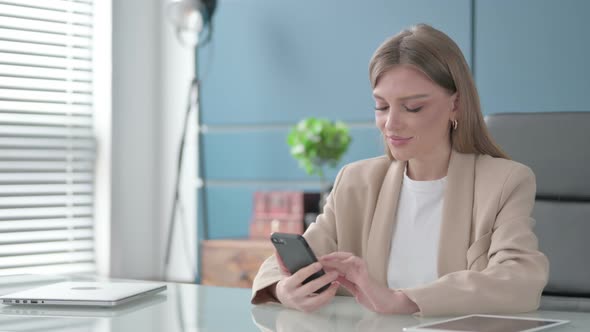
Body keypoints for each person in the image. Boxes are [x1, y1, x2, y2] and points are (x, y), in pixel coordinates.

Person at [250, 23, 549, 316]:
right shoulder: (356, 181)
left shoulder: (504, 181)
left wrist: (403, 301)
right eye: (381, 106)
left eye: (413, 108)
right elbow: (281, 265)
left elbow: (521, 279)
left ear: (455, 104)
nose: (390, 124)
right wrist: (282, 290)